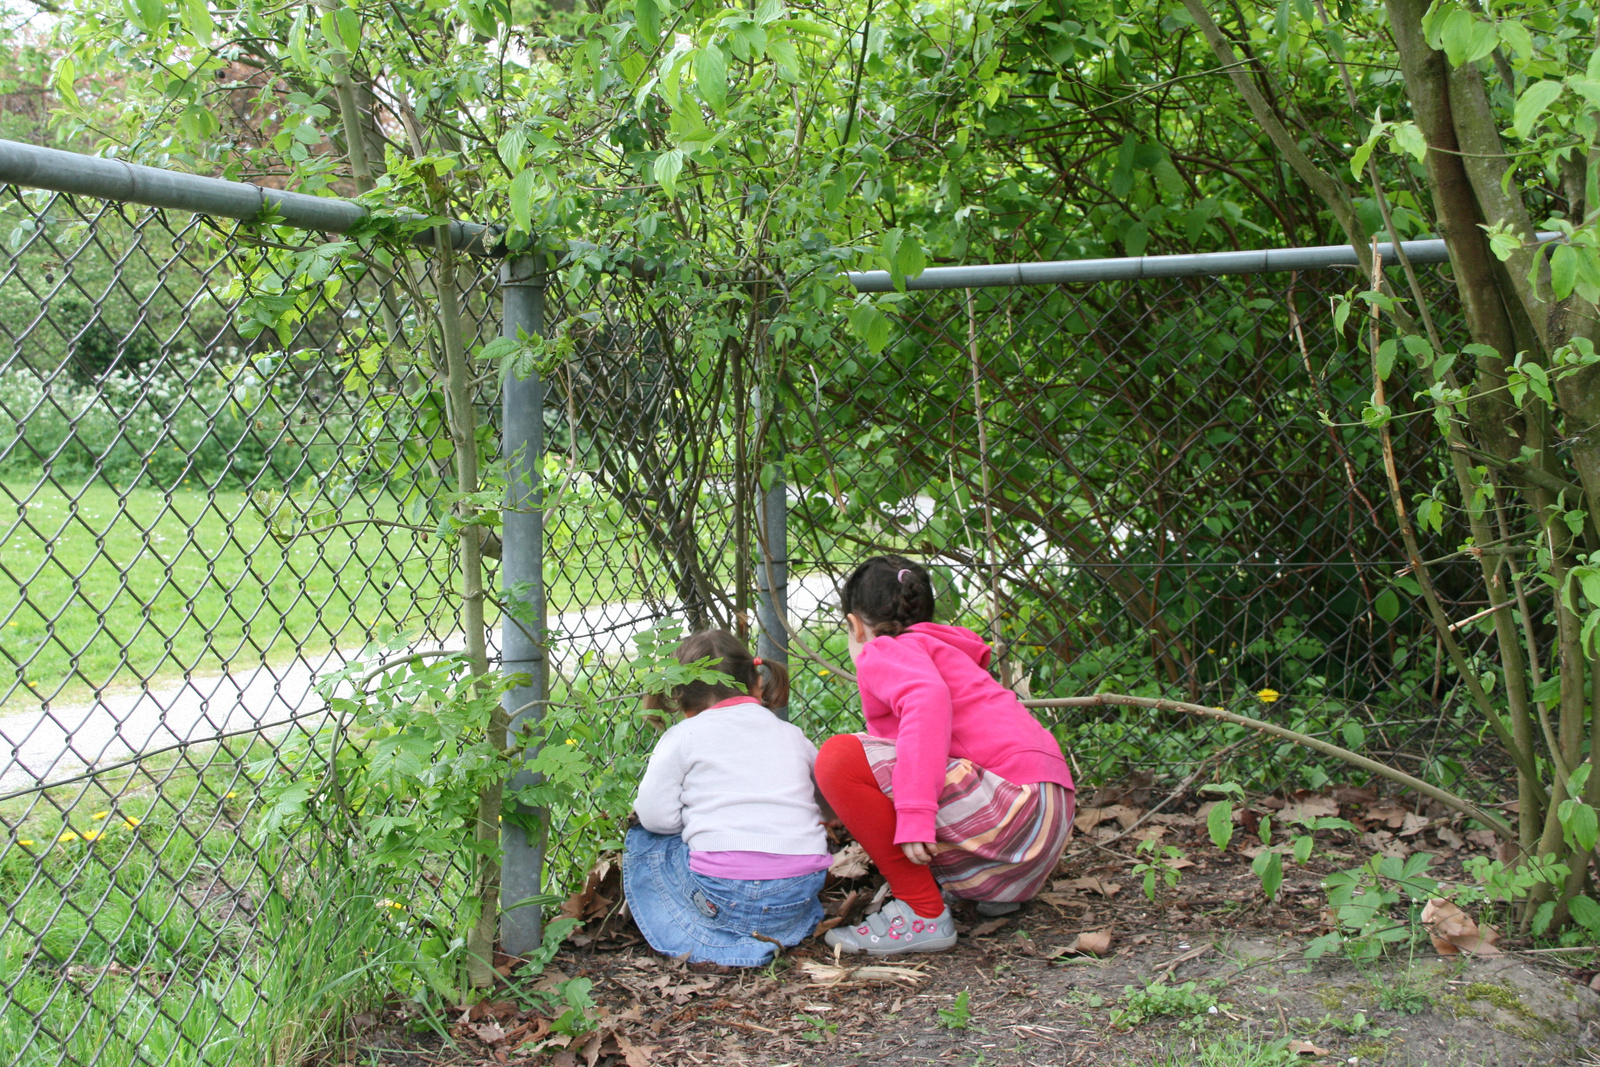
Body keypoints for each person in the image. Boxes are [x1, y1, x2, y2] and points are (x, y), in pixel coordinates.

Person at [814, 555, 1076, 956]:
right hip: (1048, 815)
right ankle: (996, 892)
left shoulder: (885, 650)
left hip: (1010, 808)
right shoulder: (942, 648)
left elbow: (927, 702)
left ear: (854, 626)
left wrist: (915, 813)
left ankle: (921, 912)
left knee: (838, 758)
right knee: (899, 762)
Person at [623, 629, 830, 967]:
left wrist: (693, 820)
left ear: (680, 700)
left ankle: (718, 939)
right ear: (757, 684)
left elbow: (655, 816)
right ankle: (782, 929)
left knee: (646, 835)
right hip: (797, 892)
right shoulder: (792, 734)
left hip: (723, 895)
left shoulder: (682, 736)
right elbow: (823, 799)